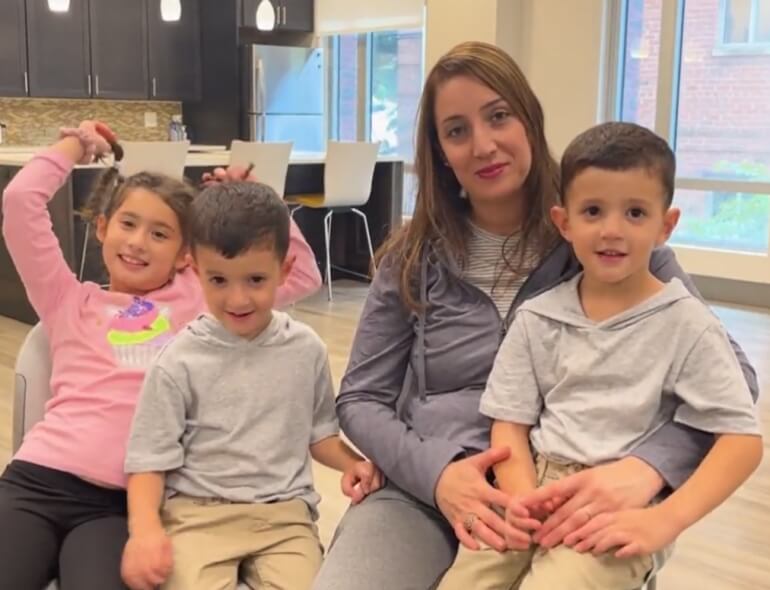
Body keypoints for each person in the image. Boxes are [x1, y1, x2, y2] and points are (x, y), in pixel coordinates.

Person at [310, 42, 759, 590]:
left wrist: (645, 469)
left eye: (499, 116)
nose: (483, 145)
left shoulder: (612, 244)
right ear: (439, 152)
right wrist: (437, 474)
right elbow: (360, 399)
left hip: (569, 491)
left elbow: (732, 389)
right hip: (424, 489)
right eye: (456, 130)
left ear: (529, 118)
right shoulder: (410, 259)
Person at [436, 121, 763, 589]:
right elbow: (509, 421)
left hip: (618, 508)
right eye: (592, 211)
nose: (612, 230)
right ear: (564, 222)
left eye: (634, 213)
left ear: (665, 225)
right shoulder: (538, 317)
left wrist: (665, 521)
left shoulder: (686, 324)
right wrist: (523, 499)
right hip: (531, 488)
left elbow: (741, 442)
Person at [0, 121, 321, 590]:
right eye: (128, 224)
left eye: (160, 234)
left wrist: (255, 197)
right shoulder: (67, 299)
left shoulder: (198, 298)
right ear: (103, 228)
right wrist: (77, 143)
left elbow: (303, 274)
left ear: (185, 256)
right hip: (36, 481)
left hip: (121, 505)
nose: (137, 242)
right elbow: (19, 203)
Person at [120, 181, 383, 590]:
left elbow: (320, 435)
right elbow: (148, 461)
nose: (238, 298)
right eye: (219, 280)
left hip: (284, 518)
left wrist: (353, 464)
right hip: (197, 516)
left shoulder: (306, 348)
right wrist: (145, 531)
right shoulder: (177, 362)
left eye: (256, 279)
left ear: (285, 270)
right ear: (194, 269)